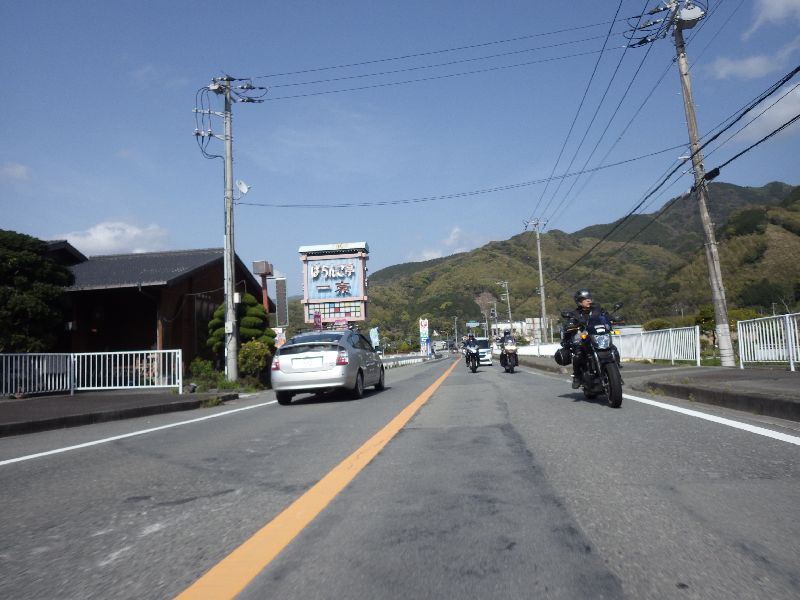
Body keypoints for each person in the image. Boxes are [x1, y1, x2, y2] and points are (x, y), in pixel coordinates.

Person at [562, 288, 612, 388]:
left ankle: (616, 372)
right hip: (584, 338)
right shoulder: (575, 313)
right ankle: (577, 376)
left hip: (598, 335)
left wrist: (613, 319)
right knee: (578, 354)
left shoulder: (597, 309)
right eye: (585, 299)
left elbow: (606, 316)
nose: (588, 300)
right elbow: (570, 322)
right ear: (579, 302)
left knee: (613, 349)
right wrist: (570, 324)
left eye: (589, 298)